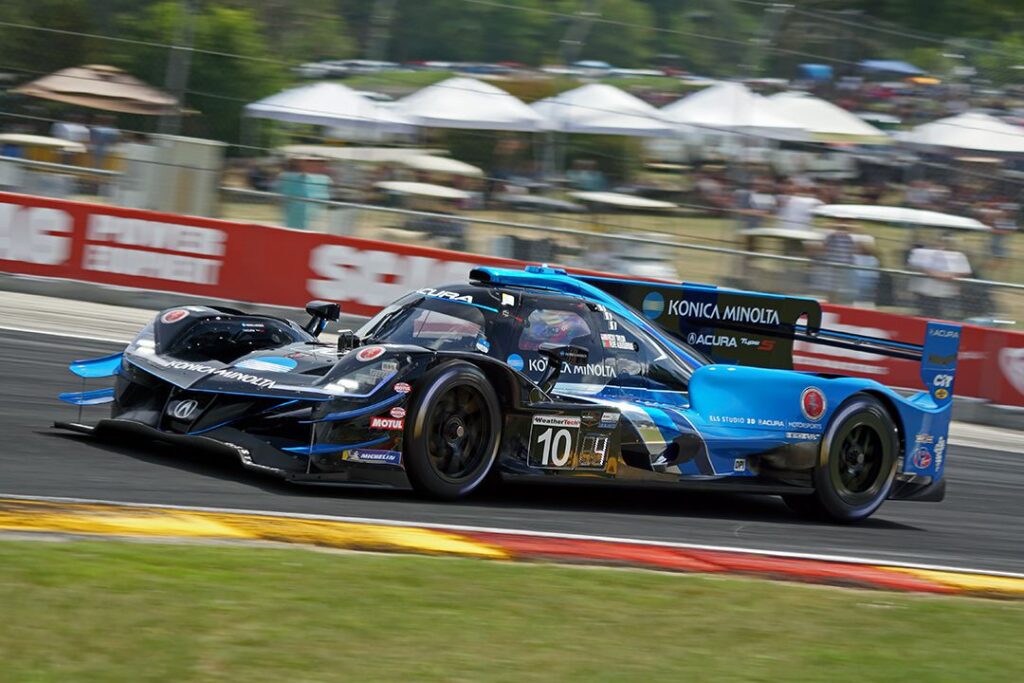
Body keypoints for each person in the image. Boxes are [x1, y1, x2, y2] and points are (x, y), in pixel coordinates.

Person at [907, 233, 972, 319]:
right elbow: (916, 265)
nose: (944, 244)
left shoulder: (958, 255)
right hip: (926, 293)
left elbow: (965, 271)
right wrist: (936, 274)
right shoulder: (922, 253)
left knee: (946, 318)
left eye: (947, 242)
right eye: (941, 241)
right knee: (926, 316)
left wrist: (950, 275)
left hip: (947, 294)